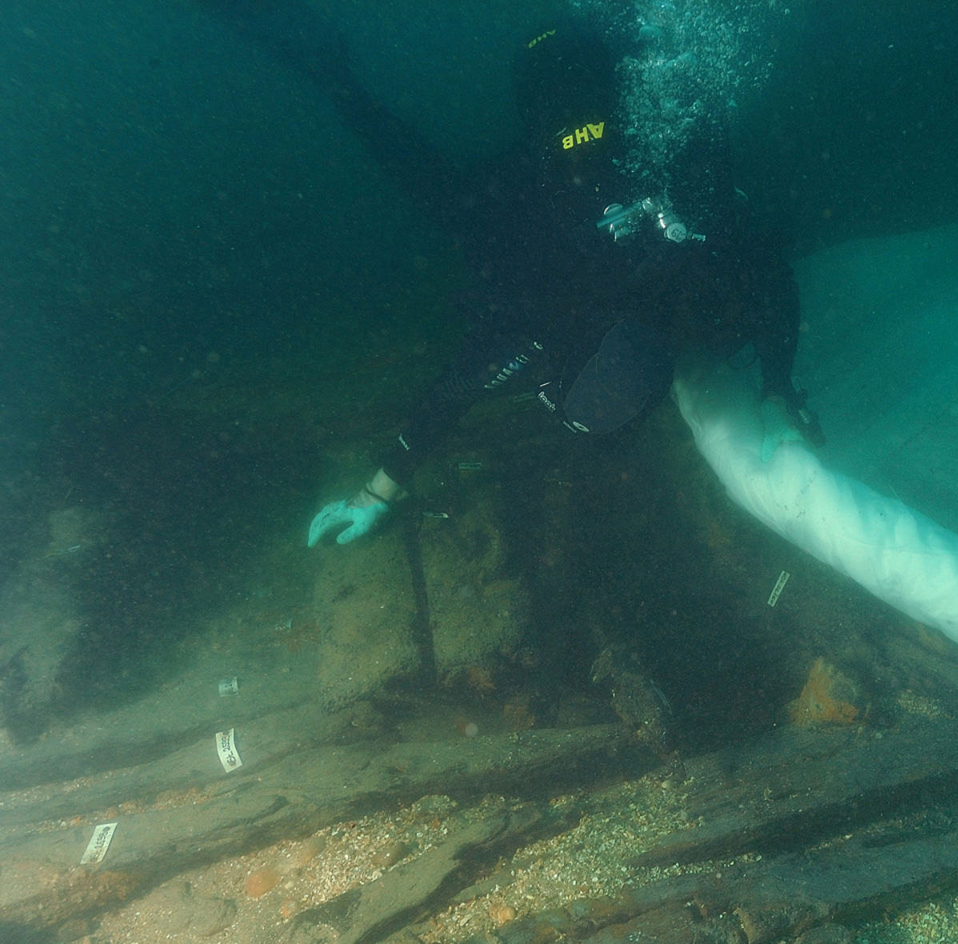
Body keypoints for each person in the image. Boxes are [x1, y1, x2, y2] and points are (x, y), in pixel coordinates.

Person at [205, 3, 819, 545]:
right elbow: (477, 364)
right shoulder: (575, 224)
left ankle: (331, 75)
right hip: (544, 228)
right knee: (431, 182)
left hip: (556, 226)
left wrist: (780, 390)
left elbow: (763, 270)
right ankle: (332, 75)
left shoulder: (643, 205)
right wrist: (778, 388)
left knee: (426, 175)